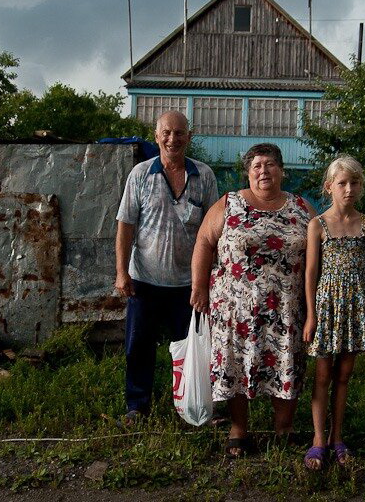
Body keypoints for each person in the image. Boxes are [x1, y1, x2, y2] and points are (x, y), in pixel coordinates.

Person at [190, 143, 315, 458]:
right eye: (257, 165)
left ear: (282, 171)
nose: (264, 171)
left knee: (286, 362)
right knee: (236, 365)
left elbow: (320, 251)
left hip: (287, 309)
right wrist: (199, 286)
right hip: (236, 310)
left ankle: (284, 428)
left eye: (270, 164)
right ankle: (238, 430)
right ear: (248, 173)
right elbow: (204, 242)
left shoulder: (302, 208)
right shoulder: (229, 203)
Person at [115, 110, 219, 426]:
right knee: (138, 347)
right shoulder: (140, 174)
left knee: (194, 349)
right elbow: (125, 226)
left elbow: (214, 230)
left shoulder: (204, 175)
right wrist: (121, 272)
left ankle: (192, 406)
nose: (173, 139)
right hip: (144, 280)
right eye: (167, 132)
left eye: (179, 133)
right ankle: (137, 407)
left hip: (189, 284)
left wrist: (208, 279)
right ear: (157, 136)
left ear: (189, 137)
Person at [302, 155, 365, 470]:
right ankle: (318, 439)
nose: (349, 189)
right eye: (342, 183)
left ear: (361, 186)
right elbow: (310, 272)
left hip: (354, 308)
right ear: (329, 187)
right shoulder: (317, 225)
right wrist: (311, 316)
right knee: (323, 375)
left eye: (354, 183)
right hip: (326, 307)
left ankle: (337, 437)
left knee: (344, 375)